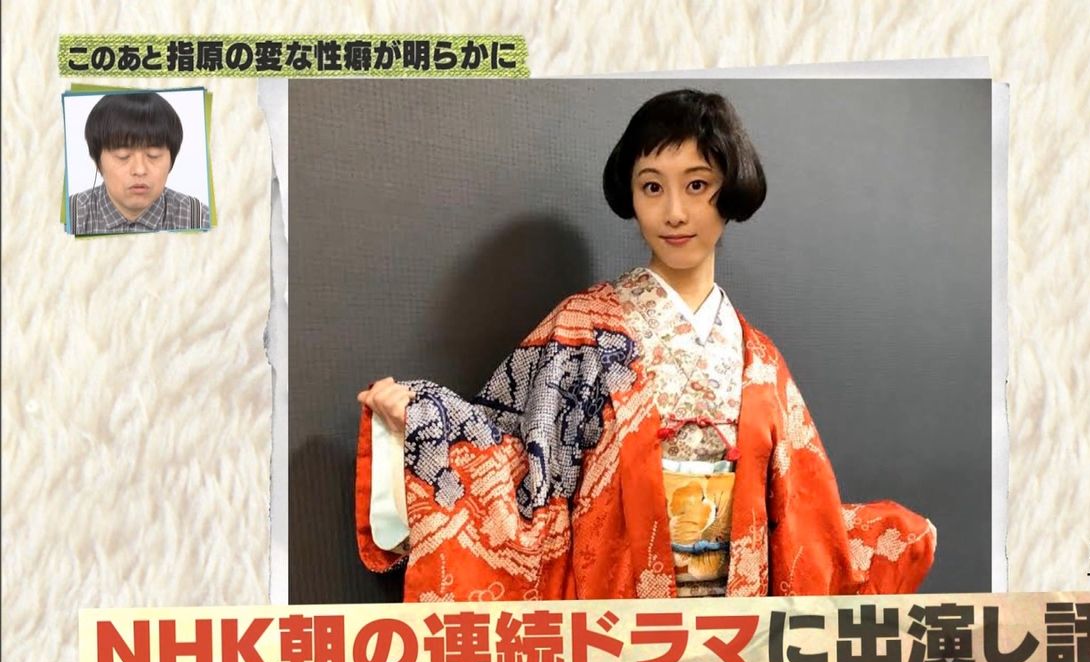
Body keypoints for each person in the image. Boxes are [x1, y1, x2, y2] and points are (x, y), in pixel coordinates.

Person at [355, 89, 936, 602]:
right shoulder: (583, 329)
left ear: (730, 191)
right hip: (619, 622)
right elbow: (521, 467)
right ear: (630, 195)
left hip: (736, 631)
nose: (674, 212)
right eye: (652, 186)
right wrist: (423, 420)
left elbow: (804, 518)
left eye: (698, 185)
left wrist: (885, 541)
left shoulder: (758, 360)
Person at [68, 92, 211, 235]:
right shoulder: (70, 218)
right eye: (123, 156)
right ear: (98, 161)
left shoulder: (199, 219)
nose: (140, 170)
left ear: (171, 160)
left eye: (153, 155)